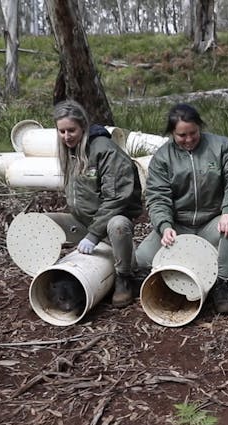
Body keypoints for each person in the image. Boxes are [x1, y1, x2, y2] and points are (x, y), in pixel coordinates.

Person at [134, 103, 228, 314]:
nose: (188, 140)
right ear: (172, 134)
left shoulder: (221, 146)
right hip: (179, 225)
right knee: (141, 259)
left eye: (193, 133)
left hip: (212, 221)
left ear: (200, 127)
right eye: (181, 135)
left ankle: (221, 283)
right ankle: (185, 270)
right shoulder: (162, 157)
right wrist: (165, 225)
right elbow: (157, 196)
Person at [47, 99, 144, 308]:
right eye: (61, 132)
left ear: (83, 126)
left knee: (118, 224)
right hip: (83, 221)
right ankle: (50, 278)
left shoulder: (104, 150)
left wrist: (93, 235)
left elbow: (117, 198)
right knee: (37, 223)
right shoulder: (68, 150)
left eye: (71, 130)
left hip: (108, 225)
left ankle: (124, 277)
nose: (66, 136)